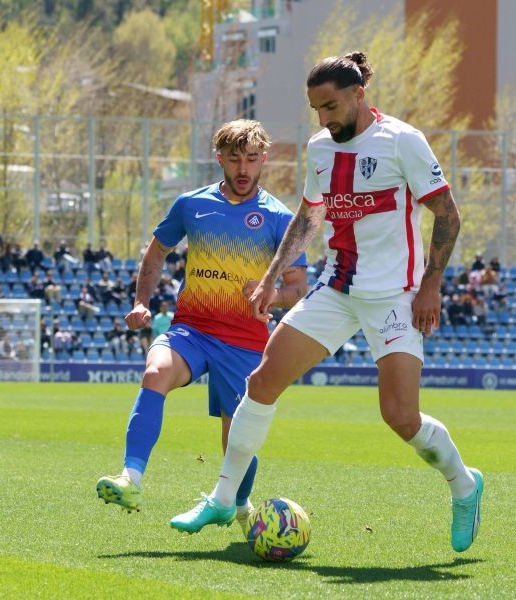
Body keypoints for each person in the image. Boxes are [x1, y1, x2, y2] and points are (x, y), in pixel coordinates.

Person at [169, 52, 483, 553]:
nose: (324, 119)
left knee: (401, 417)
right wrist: (272, 276)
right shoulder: (320, 148)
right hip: (337, 288)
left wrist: (432, 283)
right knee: (263, 379)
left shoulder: (402, 140)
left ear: (359, 95)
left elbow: (447, 215)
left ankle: (464, 484)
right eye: (316, 109)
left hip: (396, 297)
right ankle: (223, 497)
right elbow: (308, 217)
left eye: (331, 106)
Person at [95, 119, 308, 537]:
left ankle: (238, 503)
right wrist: (141, 301)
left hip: (245, 340)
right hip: (191, 328)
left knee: (236, 441)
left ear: (264, 159)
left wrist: (272, 295)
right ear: (220, 159)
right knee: (155, 372)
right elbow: (156, 253)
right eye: (234, 159)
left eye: (251, 159)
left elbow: (299, 288)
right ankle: (130, 480)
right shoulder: (191, 205)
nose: (243, 169)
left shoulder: (281, 218)